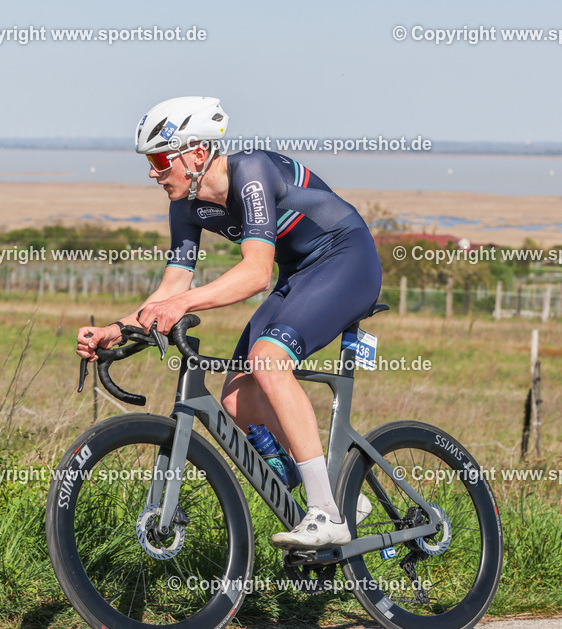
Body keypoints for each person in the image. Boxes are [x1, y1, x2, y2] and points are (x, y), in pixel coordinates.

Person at [76, 96, 382, 549]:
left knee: (268, 362)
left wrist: (182, 305)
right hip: (299, 275)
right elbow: (171, 287)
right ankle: (337, 489)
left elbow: (256, 273)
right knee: (237, 399)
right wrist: (115, 330)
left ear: (198, 153)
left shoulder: (252, 172)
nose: (152, 172)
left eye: (160, 159)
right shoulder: (185, 205)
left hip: (346, 258)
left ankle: (326, 513)